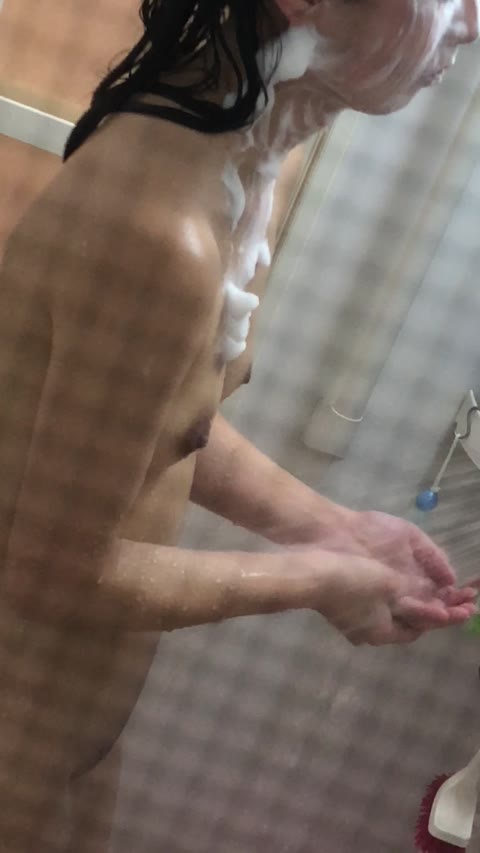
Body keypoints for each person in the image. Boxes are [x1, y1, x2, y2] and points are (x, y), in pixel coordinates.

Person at [0, 0, 478, 849]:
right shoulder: (160, 234)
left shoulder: (233, 161)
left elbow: (148, 428)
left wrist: (332, 528)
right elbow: (55, 574)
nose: (470, 21)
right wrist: (322, 579)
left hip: (75, 744)